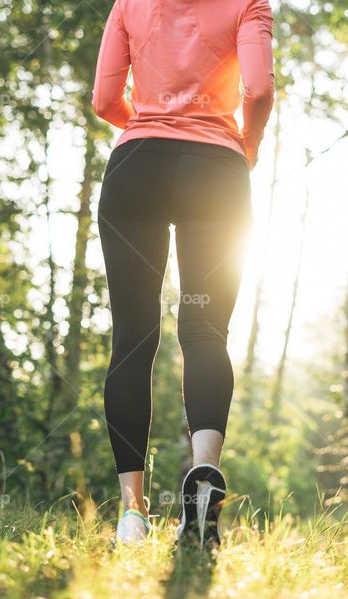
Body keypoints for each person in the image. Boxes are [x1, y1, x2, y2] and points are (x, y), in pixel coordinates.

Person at [92, 0, 274, 547]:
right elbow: (259, 91)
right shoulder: (250, 3)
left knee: (133, 339)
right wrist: (245, 145)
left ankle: (132, 514)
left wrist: (151, 126)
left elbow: (104, 100)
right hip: (216, 171)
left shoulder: (129, 3)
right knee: (203, 332)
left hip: (136, 168)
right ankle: (203, 471)